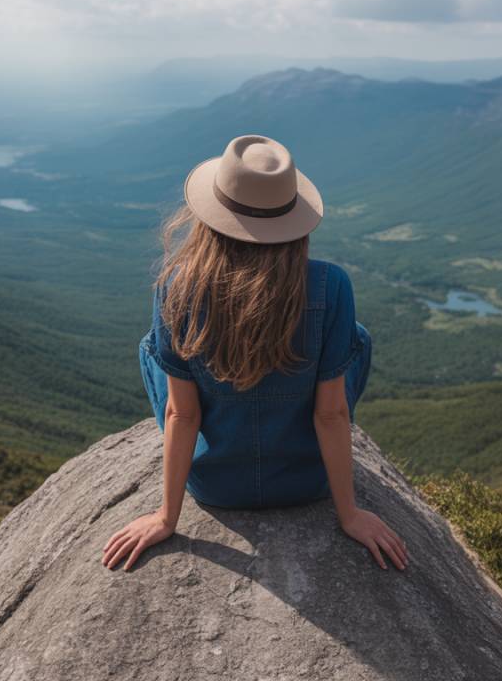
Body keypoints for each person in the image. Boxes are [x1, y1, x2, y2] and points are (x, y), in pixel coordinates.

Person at [101, 134, 408, 573]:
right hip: (307, 480)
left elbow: (181, 415)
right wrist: (350, 514)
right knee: (352, 337)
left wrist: (166, 517)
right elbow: (331, 414)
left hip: (216, 485)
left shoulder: (177, 288)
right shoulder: (332, 285)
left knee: (154, 349)